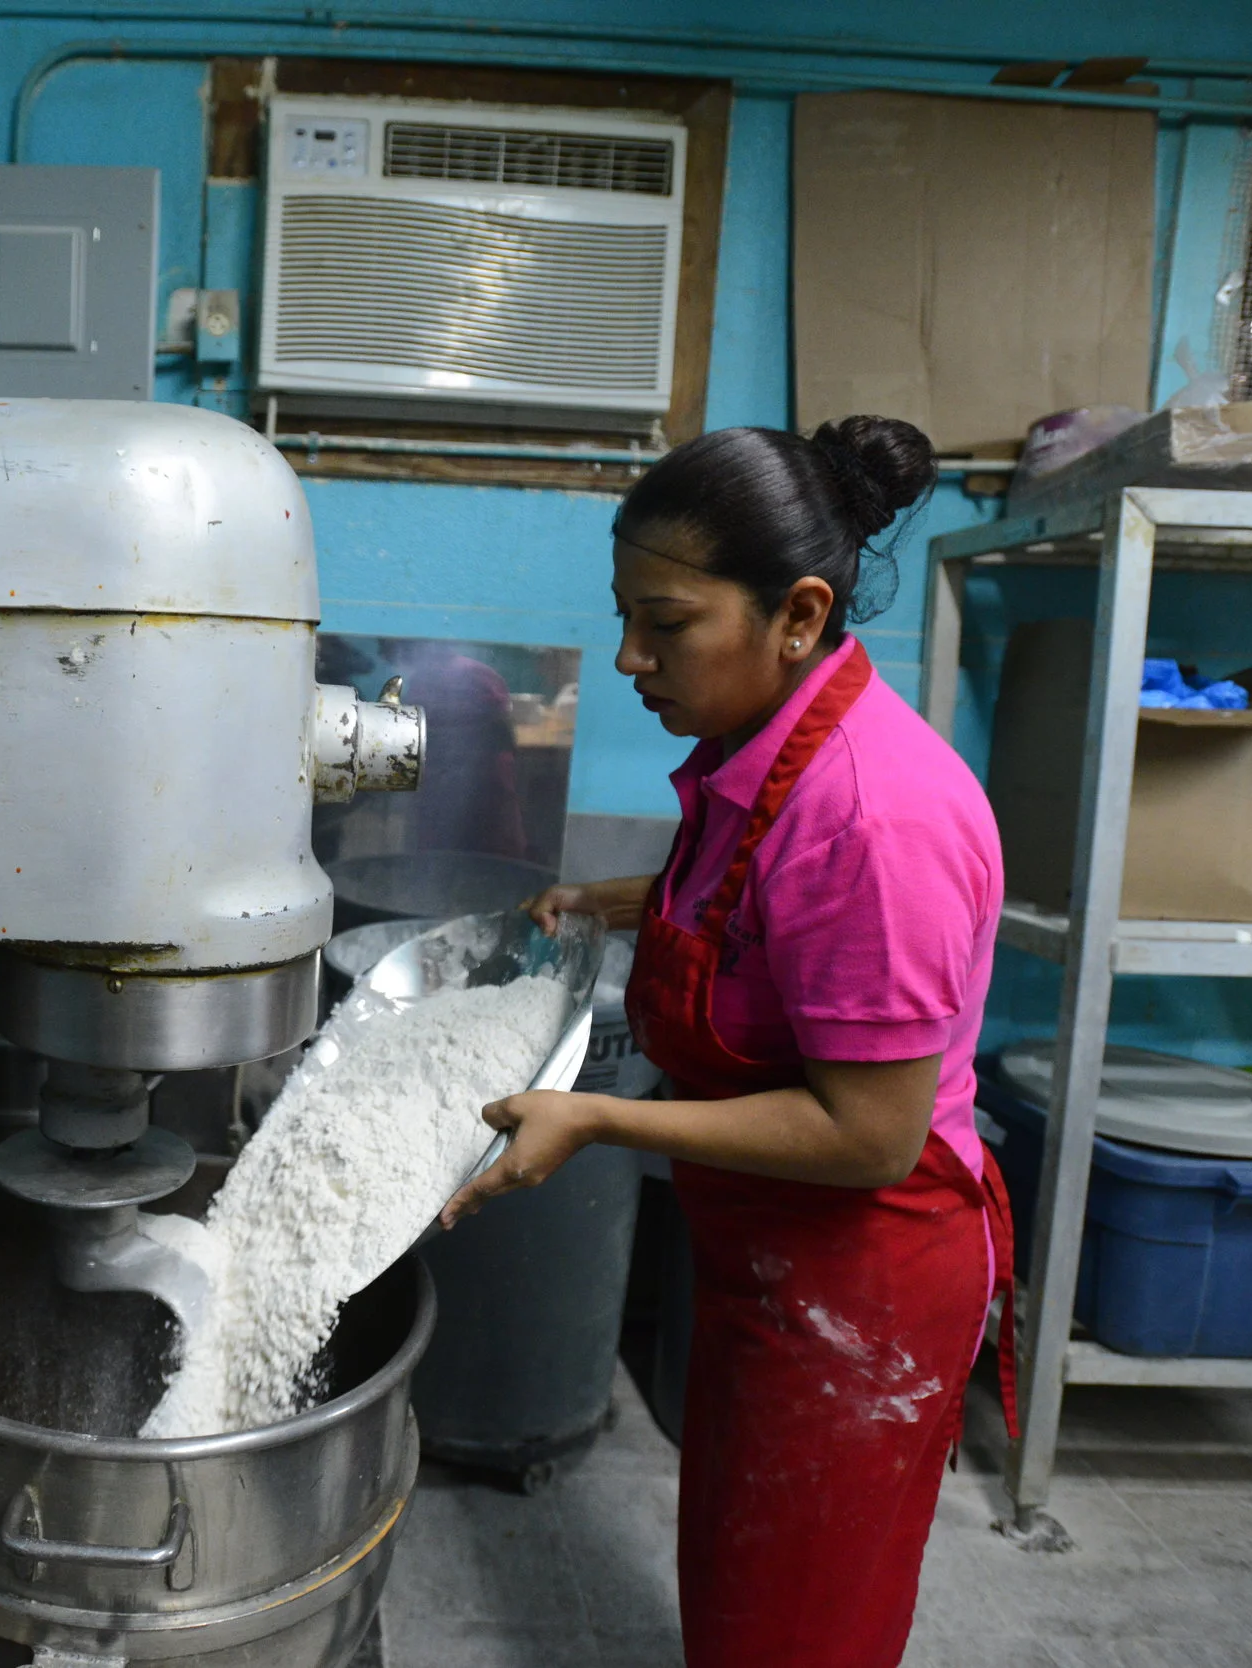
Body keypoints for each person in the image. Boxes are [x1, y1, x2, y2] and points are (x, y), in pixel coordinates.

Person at [439, 417, 1013, 1668]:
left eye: (668, 622)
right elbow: (760, 902)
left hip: (859, 1279)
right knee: (742, 1593)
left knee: (798, 1628)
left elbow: (868, 1135)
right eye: (622, 615)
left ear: (797, 614)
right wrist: (619, 899)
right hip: (765, 1253)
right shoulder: (765, 748)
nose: (631, 655)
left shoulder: (877, 819)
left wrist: (593, 1117)